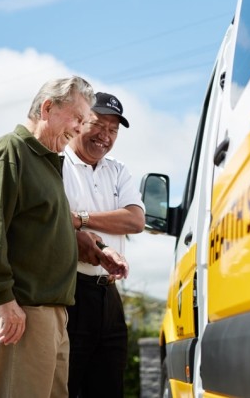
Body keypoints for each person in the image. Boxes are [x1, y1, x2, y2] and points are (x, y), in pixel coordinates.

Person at [0, 77, 128, 398]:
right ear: (48, 108)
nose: (81, 129)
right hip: (23, 309)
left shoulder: (46, 162)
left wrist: (95, 247)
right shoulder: (10, 153)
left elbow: (49, 228)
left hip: (52, 310)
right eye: (78, 119)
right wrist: (4, 300)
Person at [62, 92, 145, 397]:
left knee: (109, 386)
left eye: (113, 130)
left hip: (109, 293)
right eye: (98, 124)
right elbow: (53, 225)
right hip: (70, 292)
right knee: (67, 386)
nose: (105, 136)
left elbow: (134, 221)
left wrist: (80, 219)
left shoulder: (118, 169)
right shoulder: (57, 165)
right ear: (79, 121)